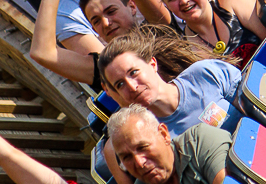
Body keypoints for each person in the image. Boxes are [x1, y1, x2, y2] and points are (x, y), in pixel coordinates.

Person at [98, 28, 242, 138]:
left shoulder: (204, 74)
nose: (132, 86)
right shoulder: (150, 136)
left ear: (152, 64)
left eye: (133, 72)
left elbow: (255, 106)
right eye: (120, 84)